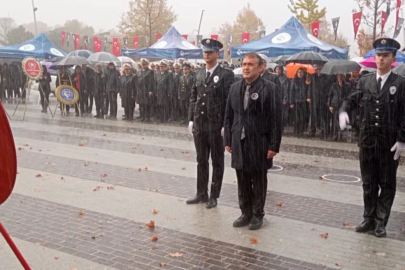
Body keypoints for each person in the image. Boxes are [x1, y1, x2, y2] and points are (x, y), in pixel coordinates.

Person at [339, 38, 405, 237]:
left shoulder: (400, 83)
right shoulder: (365, 81)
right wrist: (344, 111)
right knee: (368, 183)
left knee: (386, 183)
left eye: (385, 56)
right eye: (378, 55)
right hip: (367, 141)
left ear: (393, 59)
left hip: (388, 143)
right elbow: (351, 100)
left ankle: (380, 221)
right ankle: (368, 218)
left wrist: (402, 139)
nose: (381, 59)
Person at [224, 53, 282, 230]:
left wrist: (274, 145)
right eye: (244, 64)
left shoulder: (270, 89)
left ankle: (258, 214)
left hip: (259, 142)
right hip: (238, 141)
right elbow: (228, 116)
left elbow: (276, 119)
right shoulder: (234, 88)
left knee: (258, 180)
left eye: (250, 64)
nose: (246, 67)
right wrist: (228, 139)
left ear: (261, 67)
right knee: (242, 178)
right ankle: (245, 212)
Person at [187, 38, 235, 208]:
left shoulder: (226, 75)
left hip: (215, 125)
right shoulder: (199, 73)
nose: (206, 54)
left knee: (217, 161)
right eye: (205, 51)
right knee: (201, 160)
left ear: (218, 53)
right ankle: (201, 193)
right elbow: (193, 97)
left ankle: (214, 195)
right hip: (200, 125)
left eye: (210, 52)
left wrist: (225, 125)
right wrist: (191, 119)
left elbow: (229, 101)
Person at [309, 64, 333, 138]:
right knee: (313, 116)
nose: (319, 70)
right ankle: (312, 131)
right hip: (314, 99)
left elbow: (328, 89)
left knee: (323, 116)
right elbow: (310, 88)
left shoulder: (327, 77)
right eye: (318, 69)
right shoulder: (312, 77)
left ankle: (324, 131)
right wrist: (308, 96)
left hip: (323, 100)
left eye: (320, 69)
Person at [328, 74, 350, 141]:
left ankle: (340, 135)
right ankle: (335, 135)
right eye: (339, 77)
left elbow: (348, 95)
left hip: (342, 105)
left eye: (341, 77)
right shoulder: (334, 85)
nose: (340, 78)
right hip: (335, 104)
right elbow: (330, 96)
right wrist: (329, 105)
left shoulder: (347, 86)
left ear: (344, 78)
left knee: (342, 121)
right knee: (335, 121)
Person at [289, 68, 310, 137]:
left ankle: (301, 131)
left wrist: (308, 84)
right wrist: (291, 102)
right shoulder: (294, 81)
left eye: (301, 72)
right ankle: (296, 131)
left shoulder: (305, 81)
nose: (300, 74)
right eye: (299, 72)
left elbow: (308, 91)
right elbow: (291, 92)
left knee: (303, 117)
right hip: (296, 101)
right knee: (296, 118)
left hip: (303, 101)